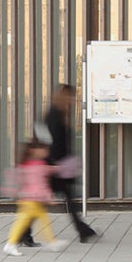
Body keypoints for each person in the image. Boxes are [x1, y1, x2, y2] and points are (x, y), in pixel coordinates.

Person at [34, 81, 97, 243]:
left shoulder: (60, 113)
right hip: (55, 165)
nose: (72, 100)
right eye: (70, 97)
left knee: (66, 199)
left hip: (59, 164)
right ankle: (24, 233)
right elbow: (50, 141)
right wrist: (54, 164)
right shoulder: (54, 115)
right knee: (42, 200)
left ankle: (82, 229)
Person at [4, 138, 55, 252]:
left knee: (42, 220)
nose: (47, 152)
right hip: (31, 200)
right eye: (44, 149)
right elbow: (41, 185)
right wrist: (48, 197)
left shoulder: (28, 164)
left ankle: (52, 242)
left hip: (30, 200)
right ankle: (11, 244)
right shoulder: (37, 166)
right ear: (35, 151)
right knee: (22, 222)